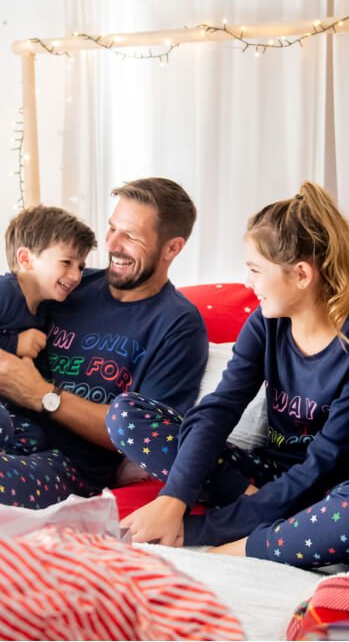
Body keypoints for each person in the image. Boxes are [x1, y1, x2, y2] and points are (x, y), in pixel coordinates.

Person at [108, 181, 349, 572]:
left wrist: (199, 529)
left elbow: (322, 465)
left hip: (328, 491)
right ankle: (282, 526)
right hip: (262, 476)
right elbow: (217, 410)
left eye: (255, 270)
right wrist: (174, 497)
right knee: (125, 414)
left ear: (302, 274)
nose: (249, 282)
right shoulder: (266, 325)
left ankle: (252, 542)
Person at [0, 178, 208, 508]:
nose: (112, 243)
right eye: (112, 228)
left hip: (68, 467)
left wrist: (41, 395)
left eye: (131, 236)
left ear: (172, 248)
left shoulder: (178, 325)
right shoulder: (68, 285)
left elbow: (145, 437)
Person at [0, 204, 96, 451]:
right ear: (26, 259)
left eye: (81, 266)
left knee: (35, 437)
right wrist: (14, 343)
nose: (76, 276)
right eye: (66, 262)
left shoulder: (44, 310)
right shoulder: (6, 292)